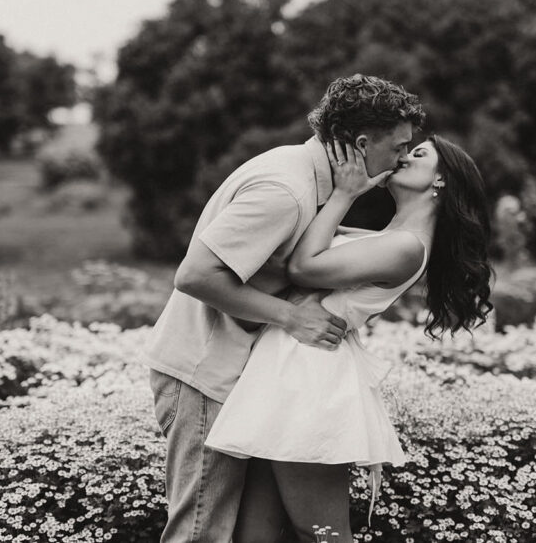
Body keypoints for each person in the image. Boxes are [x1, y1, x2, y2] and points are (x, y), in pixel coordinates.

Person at [138, 74, 426, 543]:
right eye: (397, 147)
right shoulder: (285, 190)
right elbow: (195, 276)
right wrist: (292, 317)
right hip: (203, 374)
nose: (400, 159)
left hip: (232, 373)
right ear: (360, 143)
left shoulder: (307, 179)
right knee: (201, 531)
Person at [205, 134, 494, 543]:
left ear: (441, 180)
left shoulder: (407, 248)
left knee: (323, 534)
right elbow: (301, 241)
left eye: (419, 153)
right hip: (287, 365)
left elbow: (304, 268)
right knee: (255, 534)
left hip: (310, 377)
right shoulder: (382, 235)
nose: (404, 157)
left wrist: (344, 192)